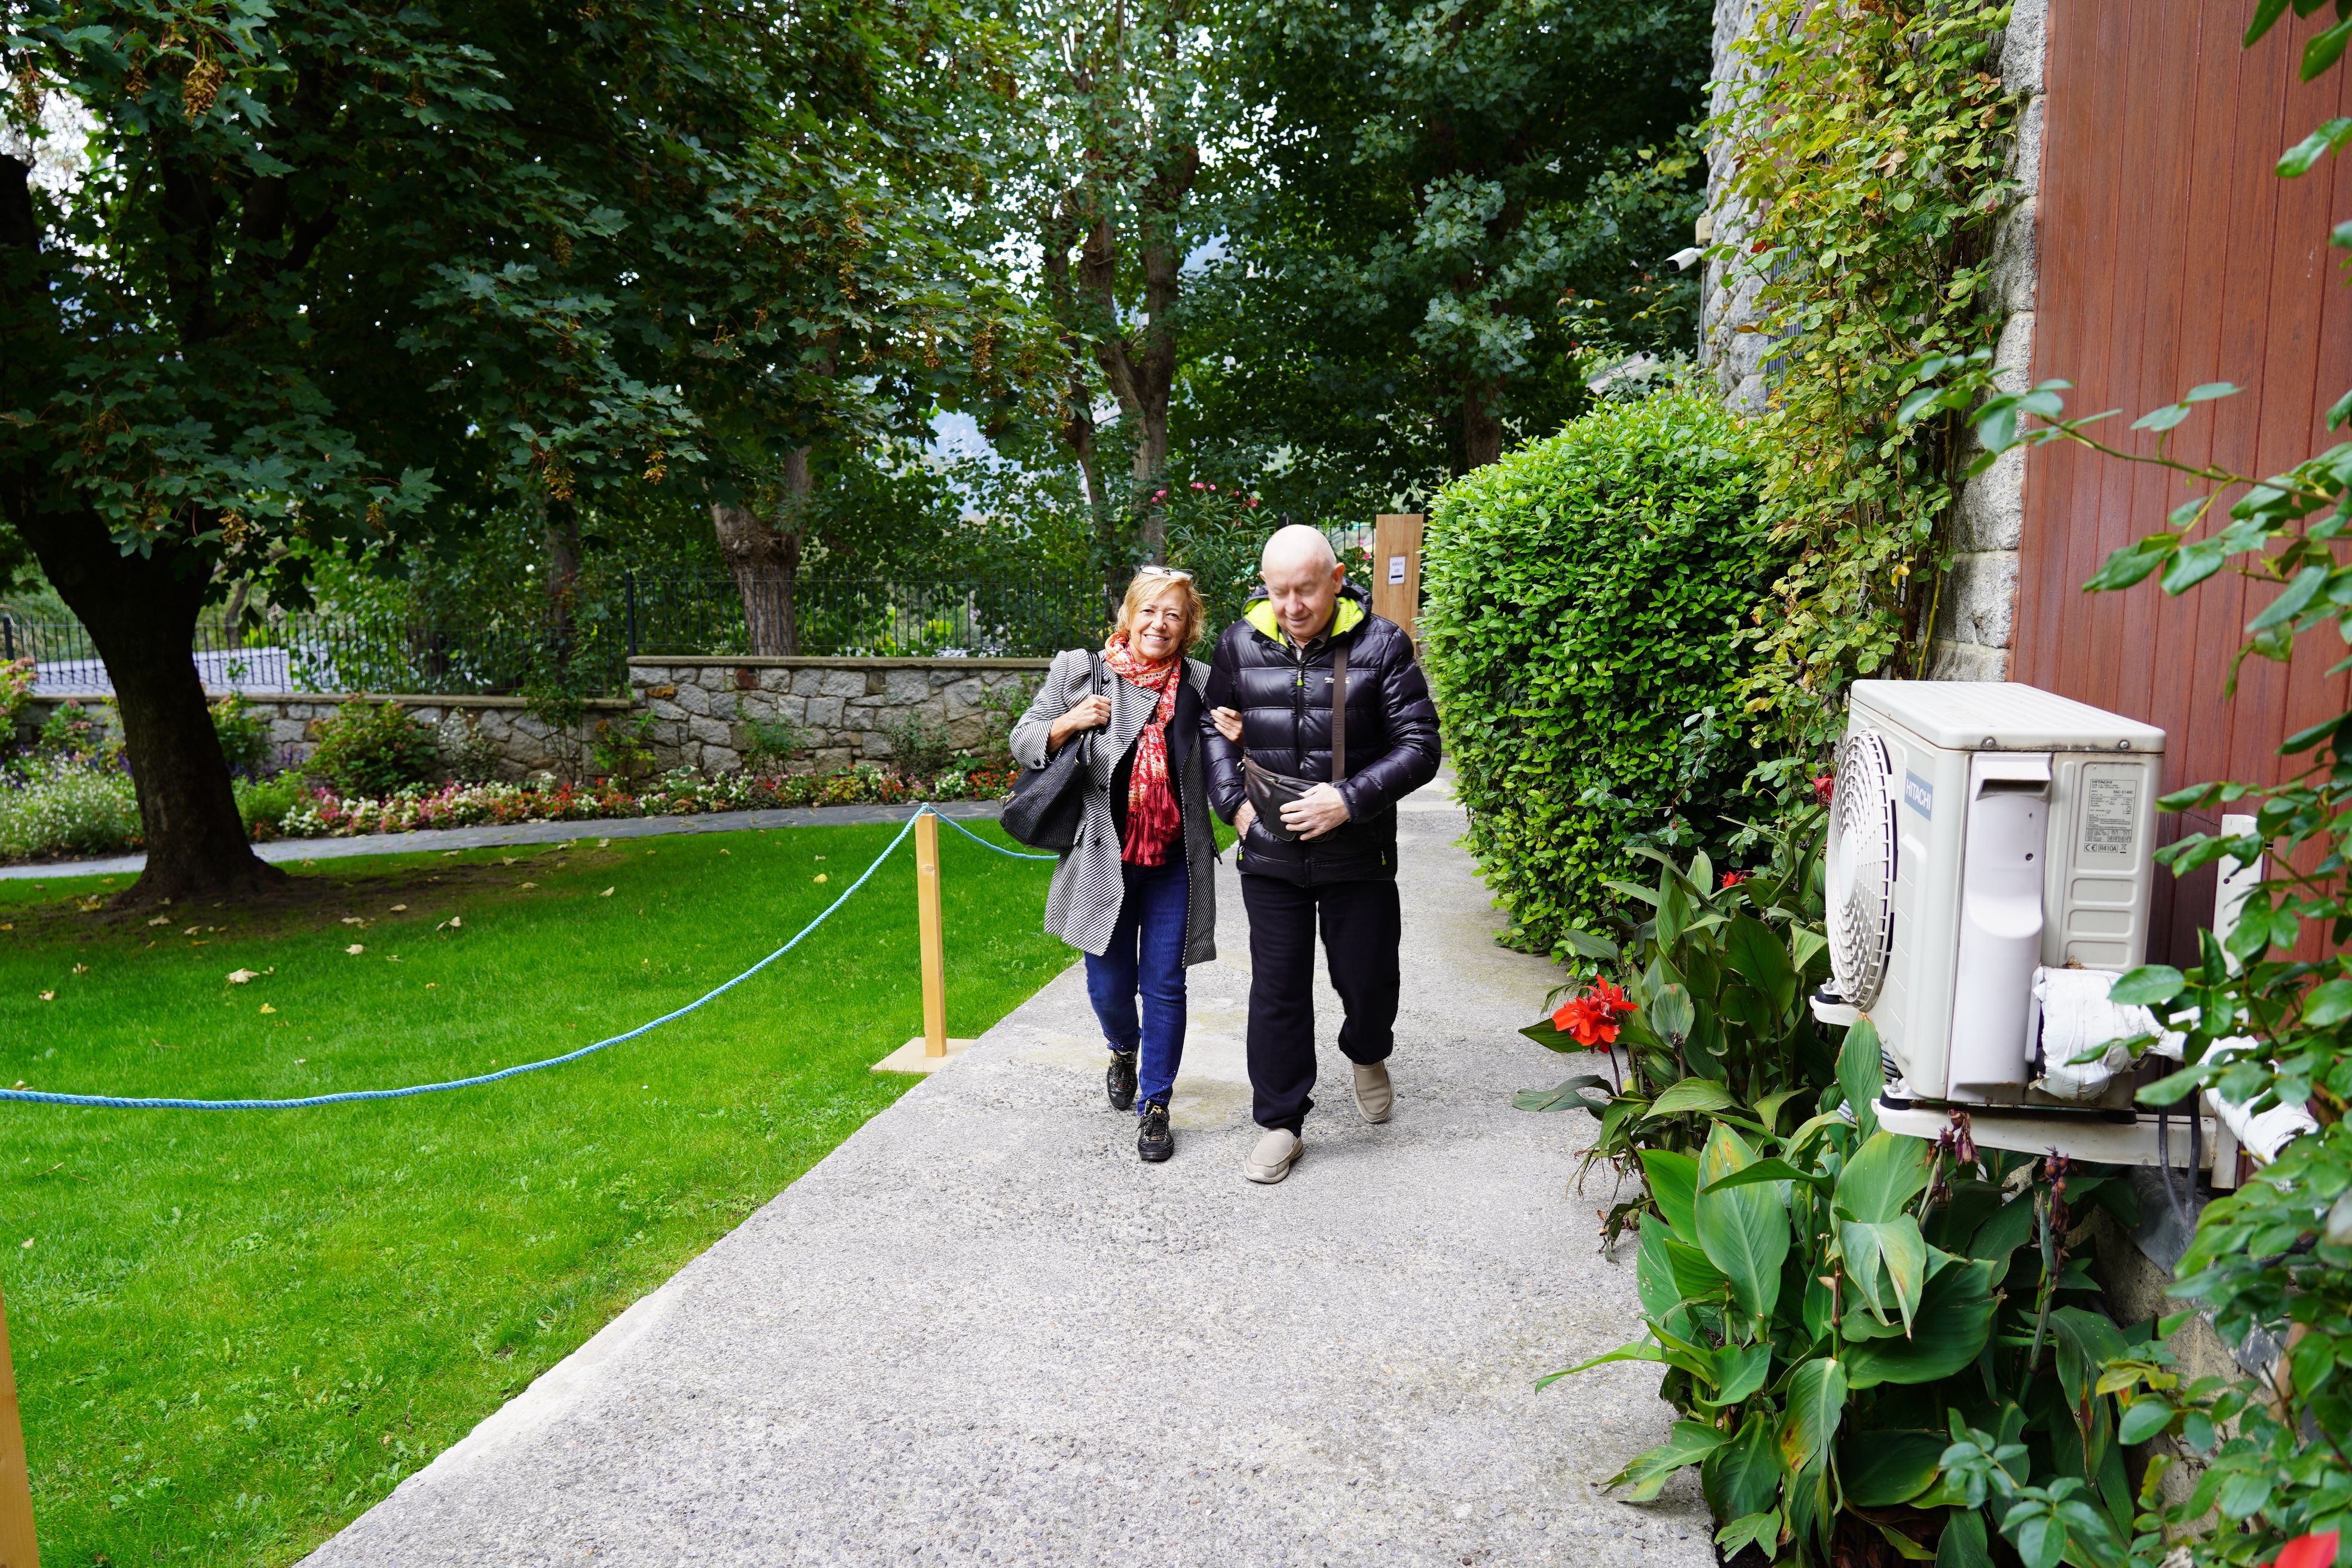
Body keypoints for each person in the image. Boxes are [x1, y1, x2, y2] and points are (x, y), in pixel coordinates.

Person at [1203, 525, 1441, 1184]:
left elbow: (1420, 745)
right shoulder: (1239, 643)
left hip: (1358, 853)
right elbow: (1213, 726)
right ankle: (1281, 1121)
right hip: (1271, 854)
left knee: (1367, 980)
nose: (1291, 606)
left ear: (1336, 580)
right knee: (1276, 991)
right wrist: (1235, 807)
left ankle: (1367, 1050)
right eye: (1278, 591)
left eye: (1305, 589)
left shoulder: (1382, 644)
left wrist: (1350, 798)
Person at [1010, 567, 1218, 1163]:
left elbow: (1229, 753)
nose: (1159, 623)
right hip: (1105, 856)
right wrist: (1069, 722)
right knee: (1109, 986)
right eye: (1149, 611)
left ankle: (1156, 1103)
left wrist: (1240, 735)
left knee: (1166, 985)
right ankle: (1123, 1048)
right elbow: (1021, 739)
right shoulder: (1082, 670)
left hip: (1174, 861)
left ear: (1189, 625)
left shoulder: (1202, 684)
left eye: (1173, 614)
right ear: (1129, 615)